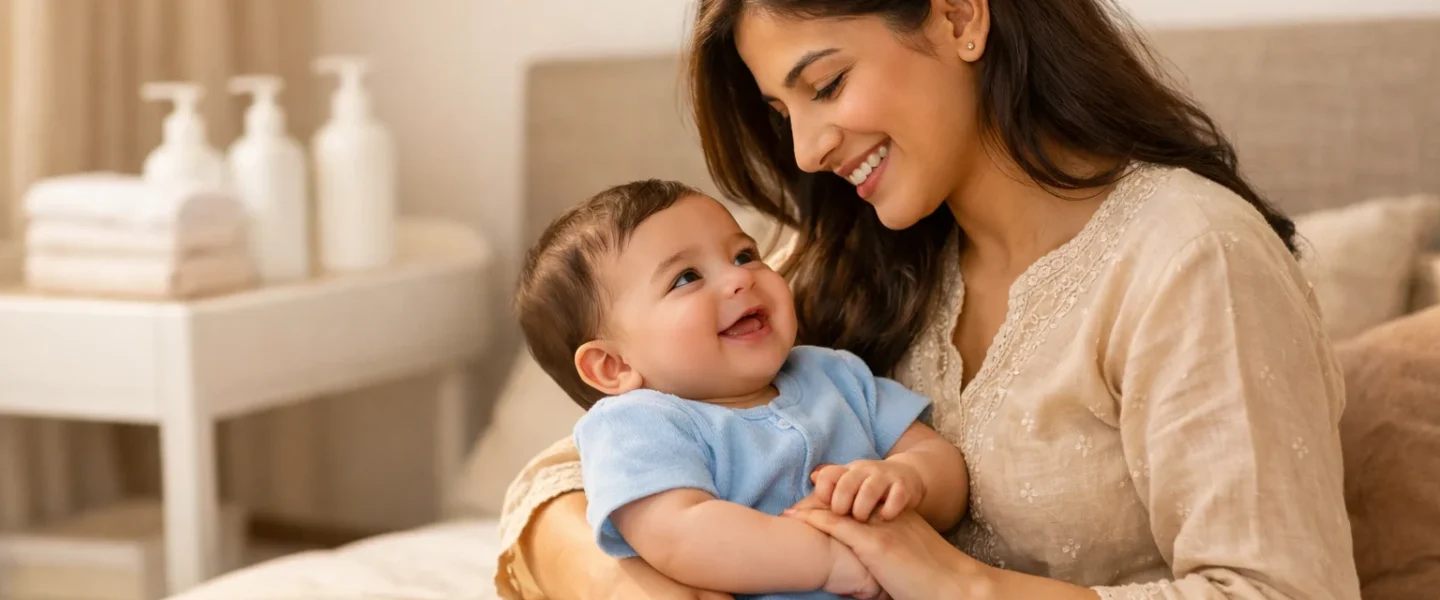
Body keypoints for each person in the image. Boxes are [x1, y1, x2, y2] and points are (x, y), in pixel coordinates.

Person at [494, 0, 1363, 598]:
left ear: (958, 15)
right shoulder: (857, 253)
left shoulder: (1188, 257)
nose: (804, 152)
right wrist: (630, 574)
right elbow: (586, 456)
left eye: (826, 85)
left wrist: (963, 585)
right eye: (780, 109)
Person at [513, 179, 968, 599]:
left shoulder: (835, 374)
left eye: (744, 255)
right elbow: (679, 533)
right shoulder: (637, 426)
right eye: (687, 278)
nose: (740, 278)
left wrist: (909, 479)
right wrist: (826, 560)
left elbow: (944, 466)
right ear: (613, 366)